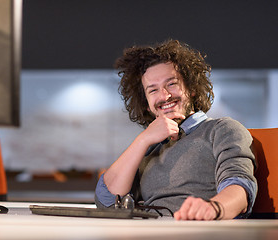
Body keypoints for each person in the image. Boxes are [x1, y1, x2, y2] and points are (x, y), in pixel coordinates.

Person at [95, 39, 257, 220]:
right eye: (153, 90)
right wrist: (143, 139)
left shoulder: (222, 129)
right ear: (147, 104)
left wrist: (214, 208)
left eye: (171, 84)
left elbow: (240, 187)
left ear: (192, 88)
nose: (165, 96)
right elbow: (107, 201)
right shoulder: (148, 147)